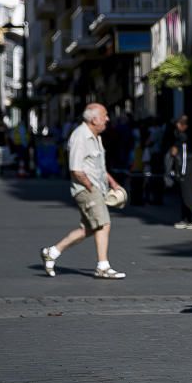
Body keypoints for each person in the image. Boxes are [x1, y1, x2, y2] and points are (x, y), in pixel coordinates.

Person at [39, 103, 127, 279]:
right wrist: (90, 187)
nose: (107, 119)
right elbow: (76, 169)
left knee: (87, 228)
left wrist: (113, 183)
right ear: (94, 119)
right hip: (86, 188)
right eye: (105, 115)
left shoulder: (96, 136)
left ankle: (52, 252)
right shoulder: (80, 136)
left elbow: (99, 167)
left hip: (96, 187)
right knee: (104, 223)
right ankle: (103, 266)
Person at [165, 114, 192, 229]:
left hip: (188, 169)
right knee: (184, 194)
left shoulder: (185, 139)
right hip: (184, 168)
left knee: (188, 194)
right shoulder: (180, 137)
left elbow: (186, 156)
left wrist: (182, 171)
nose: (177, 125)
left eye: (180, 123)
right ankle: (186, 218)